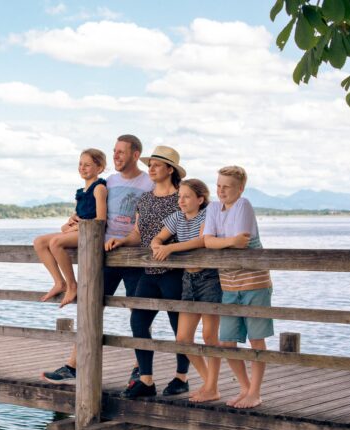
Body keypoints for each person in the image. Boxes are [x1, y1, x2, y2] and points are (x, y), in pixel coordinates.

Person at [41, 135, 153, 384]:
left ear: (135, 155)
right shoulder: (109, 182)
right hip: (105, 253)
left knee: (139, 313)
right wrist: (73, 220)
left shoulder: (149, 182)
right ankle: (73, 365)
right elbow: (91, 209)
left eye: (121, 152)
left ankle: (141, 366)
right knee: (89, 306)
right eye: (114, 151)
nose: (116, 156)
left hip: (135, 255)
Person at [105, 145, 191, 398]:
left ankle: (181, 377)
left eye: (156, 165)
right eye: (150, 165)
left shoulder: (181, 199)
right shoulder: (145, 198)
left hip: (175, 271)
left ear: (170, 169)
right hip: (149, 271)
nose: (151, 169)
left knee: (179, 327)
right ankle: (146, 380)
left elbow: (194, 229)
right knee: (138, 321)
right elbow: (138, 233)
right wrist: (122, 241)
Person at [203, 165, 274, 409]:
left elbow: (241, 243)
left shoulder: (243, 205)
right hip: (229, 284)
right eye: (218, 186)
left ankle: (255, 392)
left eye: (227, 187)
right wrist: (228, 241)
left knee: (256, 339)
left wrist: (221, 241)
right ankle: (245, 388)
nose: (221, 191)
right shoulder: (213, 208)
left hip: (255, 283)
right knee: (227, 341)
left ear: (240, 188)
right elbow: (207, 241)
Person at [151, 178, 222, 402]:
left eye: (187, 197)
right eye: (179, 196)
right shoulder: (177, 217)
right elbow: (159, 237)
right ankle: (210, 384)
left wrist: (170, 247)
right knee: (183, 338)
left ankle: (211, 387)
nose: (181, 201)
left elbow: (201, 241)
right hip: (188, 279)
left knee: (210, 336)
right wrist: (157, 245)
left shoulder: (208, 214)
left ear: (200, 199)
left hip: (209, 279)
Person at [33, 148, 108, 309]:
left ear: (99, 168)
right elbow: (75, 218)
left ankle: (72, 285)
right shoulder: (80, 193)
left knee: (55, 243)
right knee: (39, 242)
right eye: (80, 164)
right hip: (79, 230)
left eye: (87, 165)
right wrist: (69, 223)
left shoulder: (99, 188)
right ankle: (59, 282)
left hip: (92, 233)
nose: (82, 168)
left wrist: (76, 227)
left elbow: (101, 220)